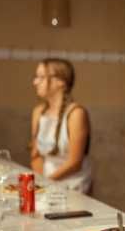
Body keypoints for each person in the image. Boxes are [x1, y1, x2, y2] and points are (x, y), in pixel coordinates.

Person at [29, 58, 92, 192]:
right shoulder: (38, 112)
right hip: (45, 183)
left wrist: (45, 182)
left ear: (60, 82)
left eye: (41, 77)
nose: (35, 82)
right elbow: (35, 154)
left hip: (74, 187)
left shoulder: (76, 113)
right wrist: (42, 182)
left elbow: (75, 163)